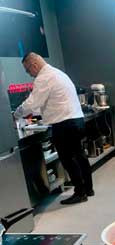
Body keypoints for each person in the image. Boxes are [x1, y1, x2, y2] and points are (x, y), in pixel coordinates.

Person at [14, 53, 93, 205]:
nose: (28, 74)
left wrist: (16, 115)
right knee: (80, 155)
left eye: (27, 70)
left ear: (34, 65)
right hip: (76, 120)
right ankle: (88, 188)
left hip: (64, 124)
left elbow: (32, 103)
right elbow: (47, 102)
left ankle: (80, 193)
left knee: (68, 159)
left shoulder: (43, 78)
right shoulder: (58, 73)